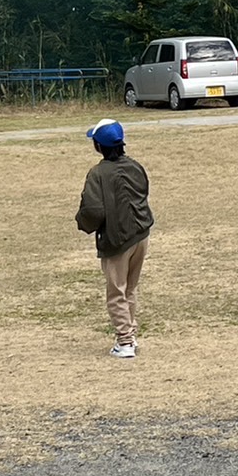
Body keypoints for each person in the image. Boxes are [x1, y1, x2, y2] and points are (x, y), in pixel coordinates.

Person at [76, 118, 155, 357]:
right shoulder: (135, 166)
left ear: (99, 146)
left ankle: (125, 341)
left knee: (116, 292)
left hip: (117, 239)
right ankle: (131, 333)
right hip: (141, 234)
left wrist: (82, 223)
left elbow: (93, 210)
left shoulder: (98, 173)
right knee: (129, 288)